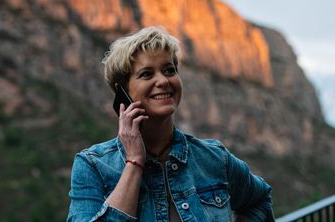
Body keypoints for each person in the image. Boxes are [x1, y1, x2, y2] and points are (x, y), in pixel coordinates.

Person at [67, 26, 274, 221]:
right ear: (122, 92)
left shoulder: (215, 158)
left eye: (169, 70)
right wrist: (134, 163)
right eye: (147, 74)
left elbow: (260, 199)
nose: (163, 81)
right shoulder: (92, 166)